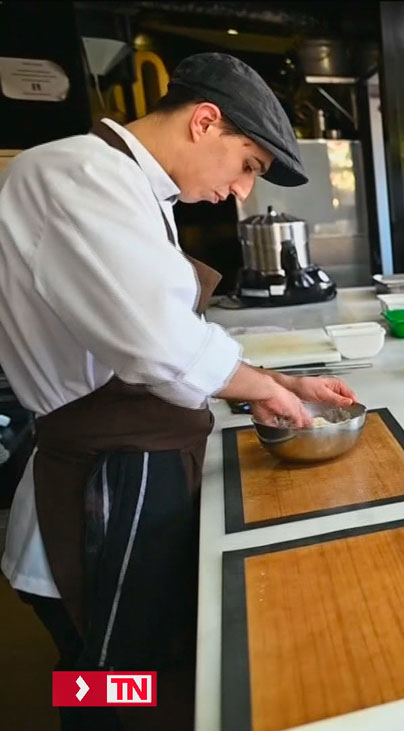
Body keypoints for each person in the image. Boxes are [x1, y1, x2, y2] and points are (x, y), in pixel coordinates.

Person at [0, 52, 356, 730]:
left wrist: (275, 382)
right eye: (247, 163)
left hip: (132, 473)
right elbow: (155, 344)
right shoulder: (76, 175)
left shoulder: (134, 189)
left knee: (148, 681)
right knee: (109, 692)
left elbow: (161, 345)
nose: (242, 189)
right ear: (205, 121)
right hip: (93, 499)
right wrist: (262, 390)